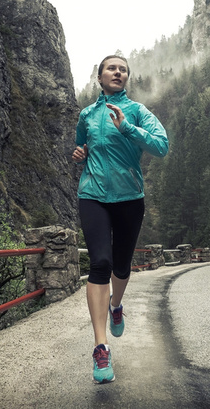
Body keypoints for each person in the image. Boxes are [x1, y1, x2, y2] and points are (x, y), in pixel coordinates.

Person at [72, 54, 169, 383]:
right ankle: (101, 349)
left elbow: (161, 146)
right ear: (99, 77)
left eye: (123, 69)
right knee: (100, 263)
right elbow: (80, 145)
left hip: (130, 199)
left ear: (127, 77)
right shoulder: (86, 115)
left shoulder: (138, 112)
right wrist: (80, 153)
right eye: (111, 68)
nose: (118, 72)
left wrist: (128, 129)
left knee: (121, 267)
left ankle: (116, 304)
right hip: (93, 196)